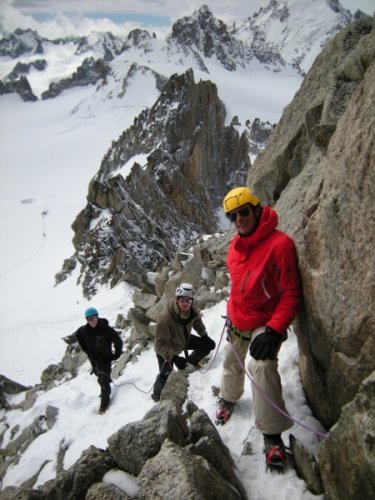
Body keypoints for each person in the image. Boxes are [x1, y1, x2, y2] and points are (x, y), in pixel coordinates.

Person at [218, 186, 301, 468]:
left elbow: (291, 293)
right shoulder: (235, 246)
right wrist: (230, 314)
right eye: (232, 216)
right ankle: (228, 398)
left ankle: (271, 432)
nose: (238, 219)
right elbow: (236, 289)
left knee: (261, 366)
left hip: (264, 322)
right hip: (239, 318)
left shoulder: (280, 245)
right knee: (232, 360)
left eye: (243, 212)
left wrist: (275, 330)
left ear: (256, 209)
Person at [151, 283, 216, 402]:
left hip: (183, 339)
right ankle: (156, 395)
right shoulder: (166, 318)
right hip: (167, 348)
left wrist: (205, 336)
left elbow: (197, 322)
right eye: (183, 300)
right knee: (166, 375)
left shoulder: (191, 309)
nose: (186, 303)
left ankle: (190, 363)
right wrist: (174, 358)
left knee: (205, 346)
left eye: (189, 300)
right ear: (177, 299)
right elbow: (158, 345)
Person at [76, 307, 123, 414]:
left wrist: (116, 355)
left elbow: (118, 341)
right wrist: (87, 351)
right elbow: (78, 335)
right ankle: (105, 386)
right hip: (94, 360)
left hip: (105, 359)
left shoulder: (106, 329)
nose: (92, 321)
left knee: (103, 380)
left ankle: (104, 405)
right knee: (99, 376)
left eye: (94, 318)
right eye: (89, 319)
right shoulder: (84, 331)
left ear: (97, 317)